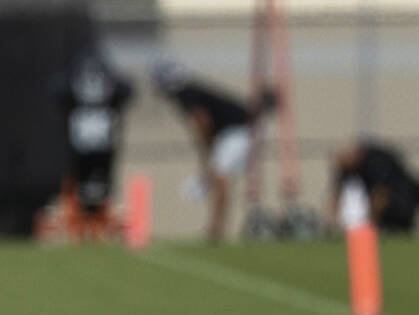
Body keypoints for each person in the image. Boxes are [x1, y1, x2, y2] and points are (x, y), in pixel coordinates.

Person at [152, 61, 279, 243]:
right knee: (217, 176)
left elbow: (202, 121)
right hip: (236, 131)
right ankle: (216, 227)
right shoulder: (190, 90)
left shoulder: (184, 93)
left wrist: (207, 149)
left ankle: (216, 228)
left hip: (239, 130)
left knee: (219, 176)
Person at [55, 49, 135, 239]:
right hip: (102, 136)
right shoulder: (111, 82)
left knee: (86, 182)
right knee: (98, 183)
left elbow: (58, 95)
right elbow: (127, 92)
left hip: (82, 137)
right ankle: (94, 225)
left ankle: (88, 226)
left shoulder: (71, 82)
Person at [329, 138, 419, 235]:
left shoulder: (376, 161)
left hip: (406, 196)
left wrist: (371, 223)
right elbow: (337, 193)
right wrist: (333, 223)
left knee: (399, 226)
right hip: (390, 199)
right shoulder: (347, 168)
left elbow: (381, 194)